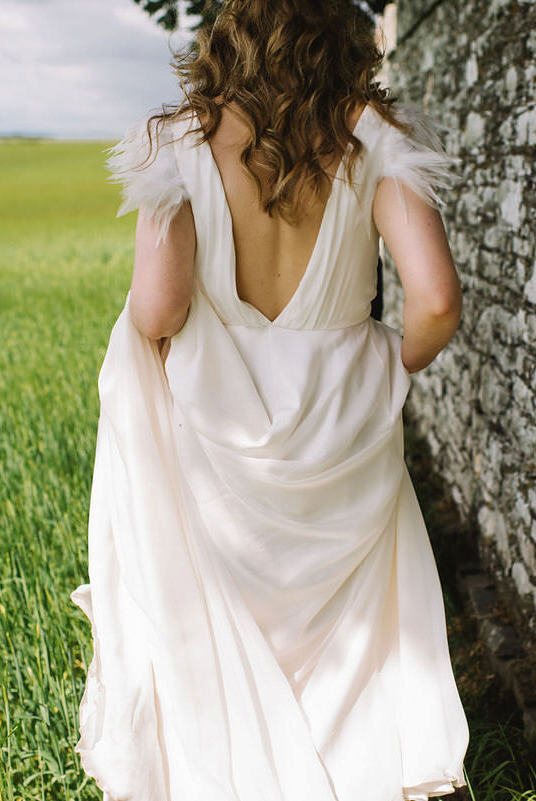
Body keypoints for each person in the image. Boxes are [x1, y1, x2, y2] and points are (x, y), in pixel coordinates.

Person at [69, 1, 469, 799]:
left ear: (227, 38)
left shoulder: (180, 145)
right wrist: (390, 361)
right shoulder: (370, 141)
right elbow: (435, 299)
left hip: (221, 419)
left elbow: (158, 309)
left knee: (224, 617)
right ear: (340, 35)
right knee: (345, 633)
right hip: (343, 414)